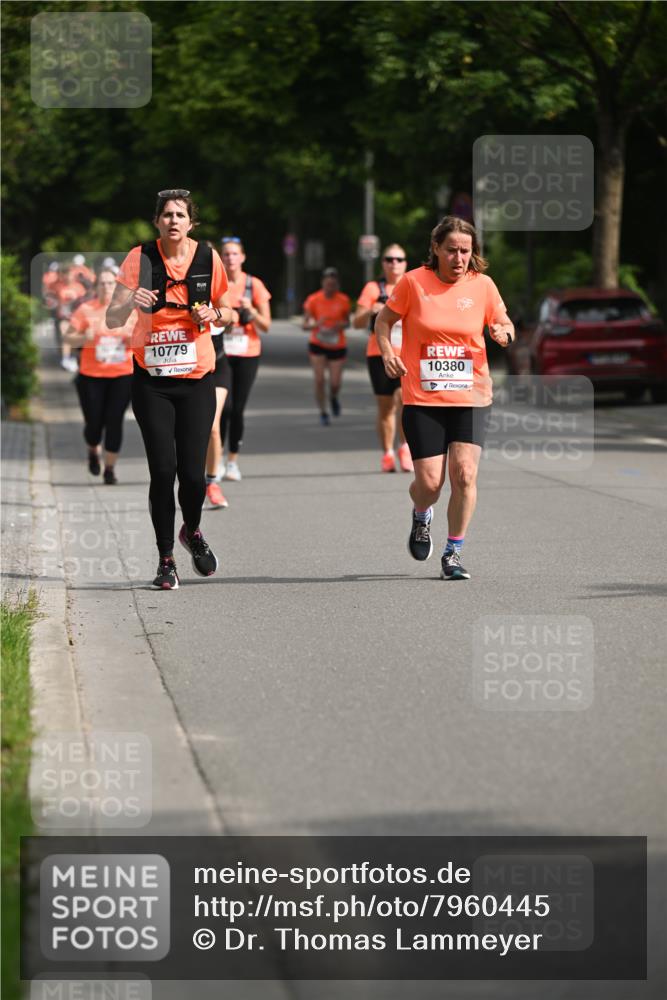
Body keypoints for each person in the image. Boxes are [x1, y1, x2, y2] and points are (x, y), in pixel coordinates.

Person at [106, 189, 234, 590]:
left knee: (193, 476)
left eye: (180, 215)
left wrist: (215, 312)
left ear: (190, 223)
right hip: (152, 381)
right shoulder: (139, 258)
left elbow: (229, 311)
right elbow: (112, 318)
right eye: (167, 215)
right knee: (163, 470)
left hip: (196, 379)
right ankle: (166, 560)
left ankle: (191, 530)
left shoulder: (208, 257)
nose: (173, 220)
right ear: (157, 222)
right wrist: (130, 300)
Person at [374, 216, 514, 581]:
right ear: (435, 248)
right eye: (451, 250)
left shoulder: (482, 285)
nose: (459, 258)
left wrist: (504, 333)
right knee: (430, 484)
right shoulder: (413, 282)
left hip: (472, 395)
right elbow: (383, 322)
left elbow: (504, 321)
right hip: (423, 398)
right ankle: (422, 515)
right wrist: (388, 352)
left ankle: (453, 552)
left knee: (465, 475)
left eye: (466, 251)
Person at [63, 269, 135, 483]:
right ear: (96, 287)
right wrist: (84, 337)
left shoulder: (129, 312)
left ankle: (110, 469)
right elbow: (69, 339)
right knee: (93, 423)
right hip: (91, 376)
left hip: (122, 375)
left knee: (114, 421)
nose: (106, 287)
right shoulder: (86, 309)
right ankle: (93, 451)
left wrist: (132, 339)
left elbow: (144, 338)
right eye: (102, 283)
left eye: (111, 283)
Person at [215, 237, 272, 482]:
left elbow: (266, 325)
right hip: (222, 353)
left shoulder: (253, 284)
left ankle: (232, 462)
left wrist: (252, 311)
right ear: (221, 258)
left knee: (237, 409)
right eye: (226, 254)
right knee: (223, 408)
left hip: (247, 353)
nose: (230, 258)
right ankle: (215, 460)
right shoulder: (216, 282)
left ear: (243, 257)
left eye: (234, 254)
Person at [353, 244, 413, 473]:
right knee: (386, 406)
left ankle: (404, 447)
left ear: (405, 264)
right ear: (383, 263)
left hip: (407, 353)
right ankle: (387, 453)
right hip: (379, 353)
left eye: (399, 259)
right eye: (389, 259)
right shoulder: (373, 288)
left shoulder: (412, 286)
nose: (394, 263)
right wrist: (371, 310)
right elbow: (356, 322)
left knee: (405, 402)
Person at [302, 267, 351, 426]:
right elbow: (305, 325)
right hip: (318, 343)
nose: (330, 287)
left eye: (333, 284)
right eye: (328, 284)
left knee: (335, 383)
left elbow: (348, 322)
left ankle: (333, 397)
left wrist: (340, 325)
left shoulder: (343, 300)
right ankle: (323, 412)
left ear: (337, 285)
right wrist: (316, 324)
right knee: (319, 380)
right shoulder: (313, 299)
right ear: (322, 283)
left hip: (337, 344)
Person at [203, 241, 231, 508]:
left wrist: (220, 314)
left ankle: (212, 483)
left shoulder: (220, 288)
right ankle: (192, 482)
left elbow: (230, 317)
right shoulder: (180, 287)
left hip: (218, 366)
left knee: (212, 426)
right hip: (188, 368)